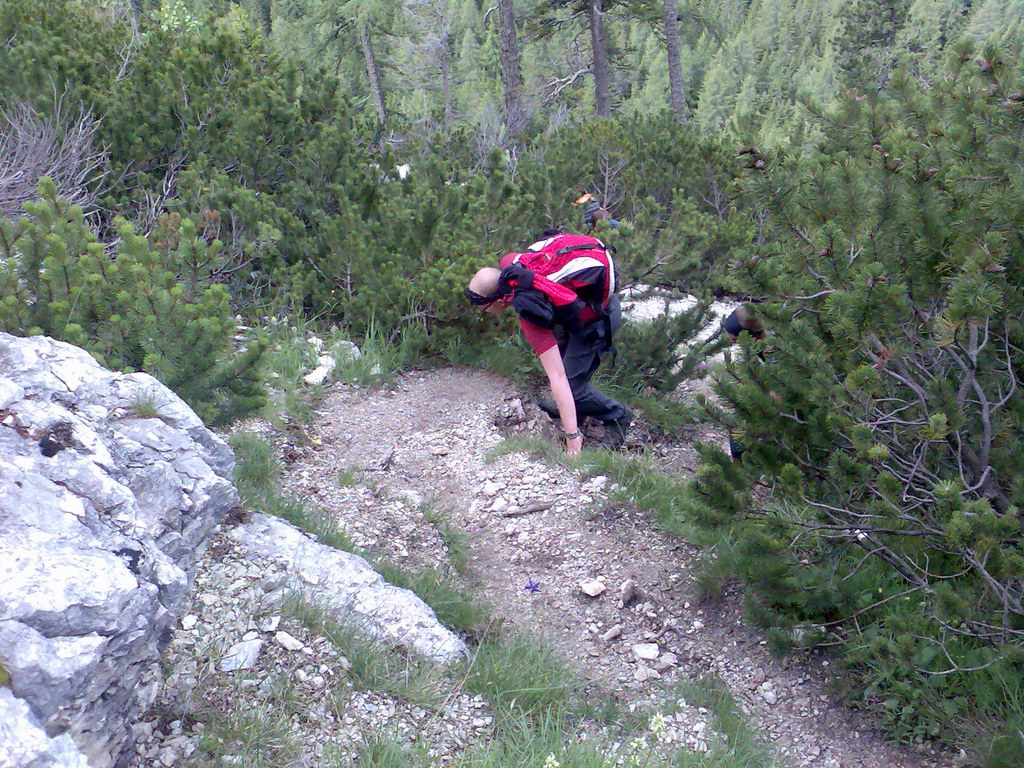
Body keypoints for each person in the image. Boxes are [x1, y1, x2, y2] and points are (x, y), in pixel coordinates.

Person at [465, 232, 632, 455]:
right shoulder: (512, 264)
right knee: (567, 370)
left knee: (570, 385)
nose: (486, 314)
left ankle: (617, 416)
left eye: (484, 310)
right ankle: (576, 411)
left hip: (597, 319)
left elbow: (557, 376)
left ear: (498, 299)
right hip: (578, 310)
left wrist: (572, 439)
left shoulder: (530, 311)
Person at [721, 305, 767, 459]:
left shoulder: (775, 351)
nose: (732, 343)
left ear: (749, 336)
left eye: (734, 339)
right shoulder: (757, 350)